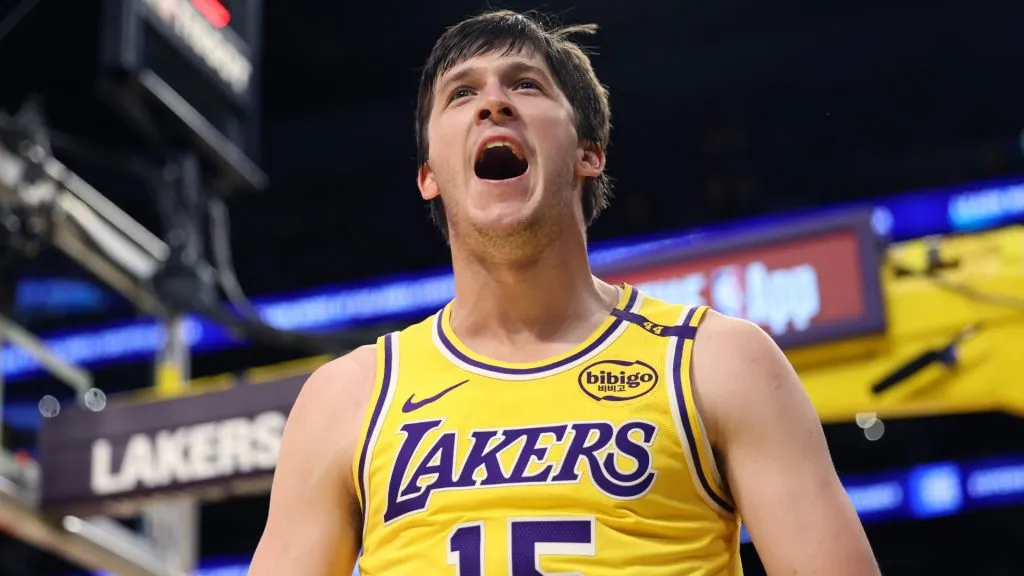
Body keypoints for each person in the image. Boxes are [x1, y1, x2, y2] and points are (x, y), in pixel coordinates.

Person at [249, 9, 879, 576]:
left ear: (588, 153)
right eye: (462, 93)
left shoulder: (718, 360)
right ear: (428, 176)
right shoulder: (347, 398)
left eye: (525, 85)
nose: (492, 104)